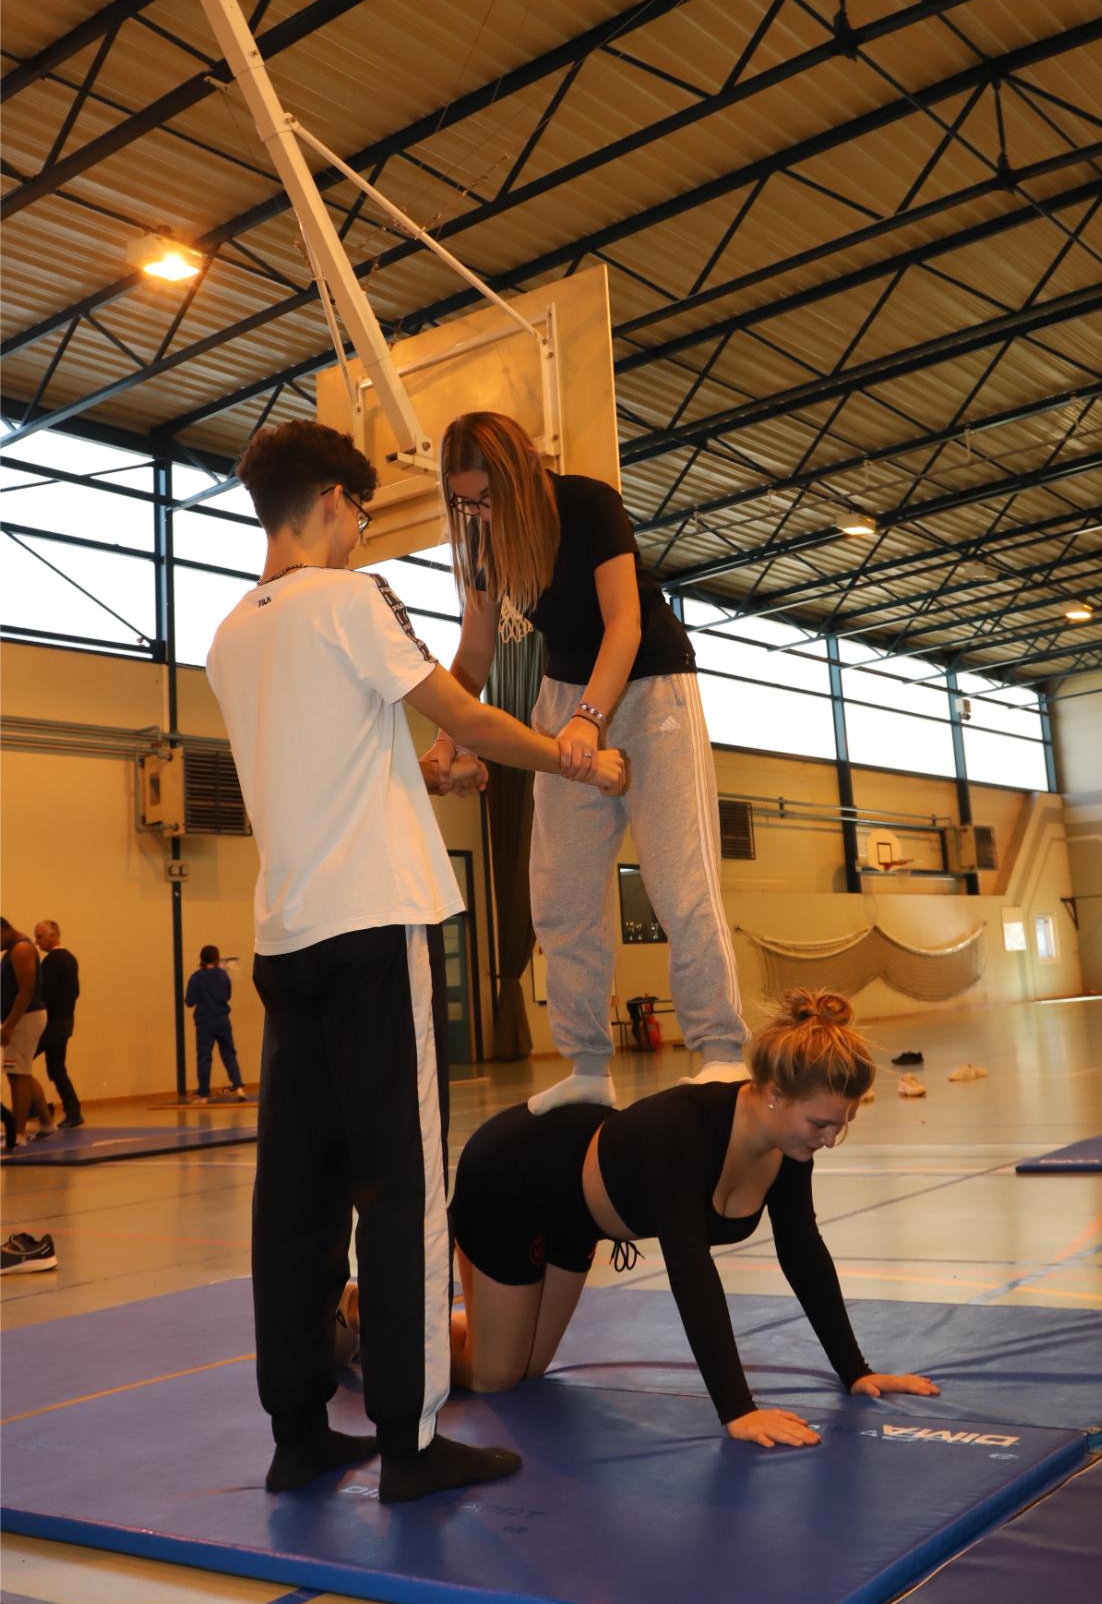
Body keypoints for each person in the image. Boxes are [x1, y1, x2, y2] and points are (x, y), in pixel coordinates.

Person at [206, 418, 626, 1506]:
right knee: (406, 1191)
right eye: (358, 517)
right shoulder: (352, 601)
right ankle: (409, 1440)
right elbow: (467, 716)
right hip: (377, 927)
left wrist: (428, 781)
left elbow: (342, 764)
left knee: (295, 1195)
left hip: (285, 940)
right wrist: (575, 761)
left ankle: (299, 1433)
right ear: (339, 507)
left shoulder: (230, 635)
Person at [341, 990, 936, 1445]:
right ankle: (360, 1307)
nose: (833, 1141)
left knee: (528, 1369)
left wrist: (856, 1371)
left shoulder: (789, 1146)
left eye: (843, 1124)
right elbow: (690, 1270)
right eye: (823, 1124)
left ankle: (454, 1317)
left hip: (579, 1216)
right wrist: (737, 1409)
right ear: (775, 1092)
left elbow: (802, 1250)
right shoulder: (686, 1130)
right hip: (512, 1181)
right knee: (496, 1376)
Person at [425, 410, 749, 1116]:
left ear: (516, 474)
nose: (478, 513)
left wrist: (590, 720)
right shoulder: (486, 547)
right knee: (560, 894)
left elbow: (624, 622)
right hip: (564, 692)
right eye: (466, 503)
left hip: (647, 685)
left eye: (486, 497)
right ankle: (588, 1066)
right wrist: (450, 736)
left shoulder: (587, 503)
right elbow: (474, 656)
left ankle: (722, 1050)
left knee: (677, 876)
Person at [0, 918, 56, 1145]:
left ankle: (19, 1133)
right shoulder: (13, 949)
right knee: (21, 1071)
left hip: (25, 1017)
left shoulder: (22, 948)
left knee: (16, 1073)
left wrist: (9, 1025)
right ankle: (46, 1122)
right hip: (21, 1017)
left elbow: (26, 991)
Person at [33, 920, 83, 1128]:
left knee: (20, 1063)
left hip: (51, 1024)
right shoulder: (70, 958)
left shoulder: (52, 961)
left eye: (40, 937)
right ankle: (49, 1107)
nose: (37, 942)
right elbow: (76, 991)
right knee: (54, 1068)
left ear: (54, 936)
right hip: (65, 1021)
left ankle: (49, 1108)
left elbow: (45, 995)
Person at [184, 945, 246, 1104]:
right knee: (229, 1054)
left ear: (201, 959)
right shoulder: (223, 975)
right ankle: (239, 1087)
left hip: (205, 1022)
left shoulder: (197, 977)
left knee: (204, 1058)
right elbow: (227, 995)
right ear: (217, 958)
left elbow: (189, 1002)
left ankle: (204, 1095)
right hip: (222, 1020)